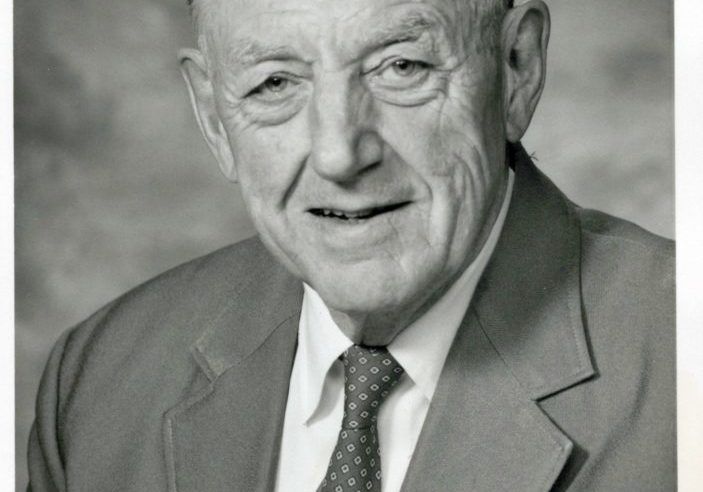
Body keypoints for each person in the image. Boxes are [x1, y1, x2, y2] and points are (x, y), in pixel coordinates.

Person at [27, 0, 675, 490]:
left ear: (516, 69)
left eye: (401, 66)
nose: (339, 154)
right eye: (275, 83)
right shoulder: (98, 381)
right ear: (214, 116)